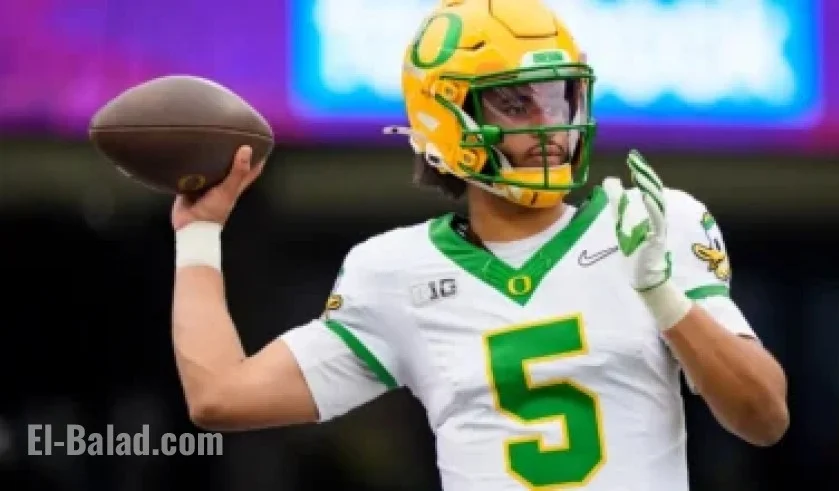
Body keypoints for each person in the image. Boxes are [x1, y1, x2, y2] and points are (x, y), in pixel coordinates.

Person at [169, 1, 789, 489]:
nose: (549, 126)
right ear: (446, 118)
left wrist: (664, 296)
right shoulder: (392, 272)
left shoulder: (651, 224)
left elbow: (764, 418)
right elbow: (220, 397)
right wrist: (199, 232)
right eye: (516, 103)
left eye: (559, 97)